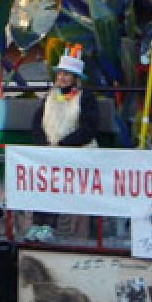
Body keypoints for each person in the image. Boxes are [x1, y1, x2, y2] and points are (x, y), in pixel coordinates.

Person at [28, 45, 100, 242]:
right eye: (60, 74)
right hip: (50, 152)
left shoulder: (85, 98)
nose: (62, 78)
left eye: (67, 75)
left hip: (76, 154)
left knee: (58, 185)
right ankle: (37, 223)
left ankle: (50, 226)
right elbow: (36, 123)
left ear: (75, 78)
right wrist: (44, 145)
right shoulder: (49, 97)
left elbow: (89, 128)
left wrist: (64, 145)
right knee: (42, 184)